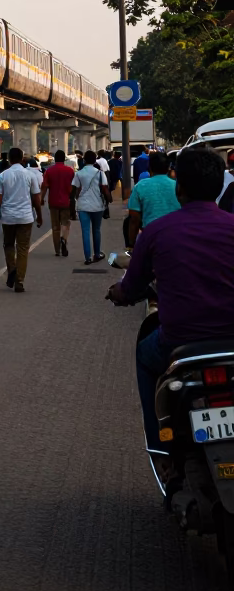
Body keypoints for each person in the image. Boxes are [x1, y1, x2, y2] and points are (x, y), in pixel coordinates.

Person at [107, 147, 234, 455]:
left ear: (180, 187)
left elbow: (131, 286)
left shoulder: (157, 232)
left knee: (144, 356)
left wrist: (118, 293)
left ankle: (161, 448)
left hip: (179, 342)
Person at [0, 146, 43, 291]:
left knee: (8, 245)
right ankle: (19, 281)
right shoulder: (30, 175)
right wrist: (39, 216)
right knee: (23, 249)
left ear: (8, 159)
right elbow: (36, 198)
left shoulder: (3, 176)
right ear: (22, 159)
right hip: (26, 217)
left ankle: (12, 269)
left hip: (8, 218)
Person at [126, 151, 179, 243]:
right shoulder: (178, 186)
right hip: (176, 235)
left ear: (149, 168)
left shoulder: (140, 186)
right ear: (168, 168)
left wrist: (131, 244)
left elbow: (134, 218)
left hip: (150, 236)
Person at [71, 149, 111, 265]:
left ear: (84, 160)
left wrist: (76, 200)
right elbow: (104, 188)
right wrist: (109, 200)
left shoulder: (78, 173)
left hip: (83, 205)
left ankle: (87, 257)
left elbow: (75, 190)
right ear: (95, 161)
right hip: (97, 205)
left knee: (85, 231)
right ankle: (97, 254)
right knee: (96, 230)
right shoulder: (100, 173)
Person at [39, 149, 75, 256]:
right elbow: (74, 186)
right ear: (64, 159)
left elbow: (44, 186)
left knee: (55, 227)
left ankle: (57, 251)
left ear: (55, 159)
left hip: (53, 202)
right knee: (65, 223)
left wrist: (41, 199)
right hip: (66, 201)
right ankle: (64, 239)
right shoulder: (70, 171)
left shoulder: (49, 171)